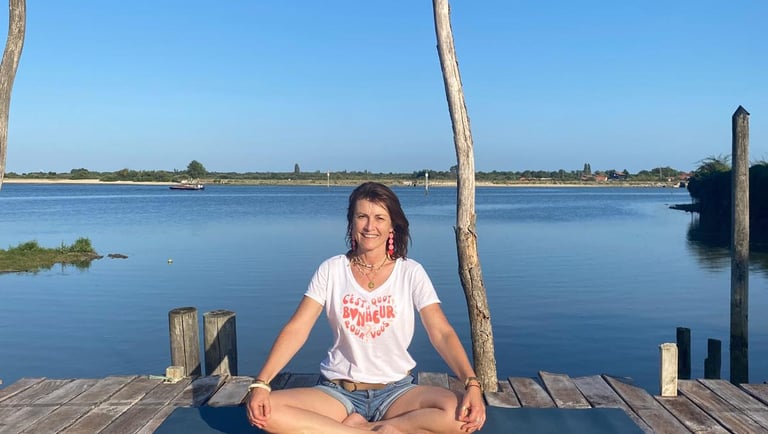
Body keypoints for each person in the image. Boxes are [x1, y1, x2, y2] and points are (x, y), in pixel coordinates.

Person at [246, 182, 486, 433]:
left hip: (397, 393)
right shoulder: (332, 270)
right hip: (338, 393)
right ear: (351, 222)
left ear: (392, 225)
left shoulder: (410, 272)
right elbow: (298, 328)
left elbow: (441, 332)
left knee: (462, 415)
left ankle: (370, 427)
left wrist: (471, 384)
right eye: (362, 216)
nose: (370, 226)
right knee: (267, 412)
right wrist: (261, 383)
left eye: (379, 218)